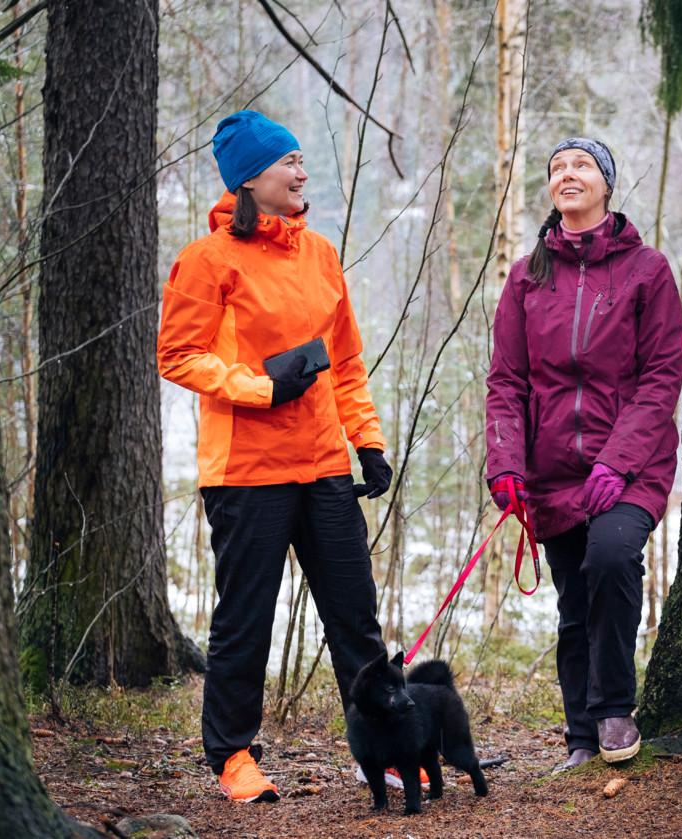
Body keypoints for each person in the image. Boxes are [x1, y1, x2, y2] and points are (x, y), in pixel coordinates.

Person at [157, 110, 392, 803]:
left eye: (299, 159)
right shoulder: (207, 259)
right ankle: (233, 756)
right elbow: (177, 354)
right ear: (249, 179)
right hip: (245, 471)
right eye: (288, 161)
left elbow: (345, 361)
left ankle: (378, 750)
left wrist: (367, 440)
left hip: (322, 462)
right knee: (245, 619)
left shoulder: (319, 253)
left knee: (355, 615)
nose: (302, 171)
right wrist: (260, 386)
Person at [485, 138, 682, 771]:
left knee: (612, 558)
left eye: (582, 166)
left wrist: (617, 460)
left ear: (606, 183)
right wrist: (507, 466)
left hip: (633, 463)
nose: (567, 176)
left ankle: (614, 708)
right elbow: (506, 383)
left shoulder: (645, 271)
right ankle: (579, 737)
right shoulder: (526, 276)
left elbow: (661, 375)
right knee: (574, 600)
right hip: (552, 471)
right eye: (557, 169)